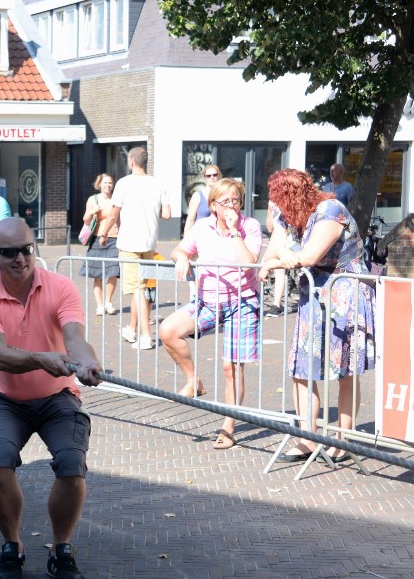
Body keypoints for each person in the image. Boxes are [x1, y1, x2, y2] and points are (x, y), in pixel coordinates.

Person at [0, 217, 103, 579]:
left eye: (26, 249)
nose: (20, 258)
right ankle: (12, 547)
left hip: (57, 396)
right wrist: (43, 358)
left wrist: (87, 360)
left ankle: (61, 550)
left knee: (72, 465)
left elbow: (74, 336)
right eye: (9, 252)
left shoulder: (60, 286)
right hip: (8, 400)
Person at [259, 169, 375, 463]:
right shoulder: (289, 217)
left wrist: (285, 258)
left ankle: (343, 440)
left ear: (293, 196)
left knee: (344, 371)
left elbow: (310, 255)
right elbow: (271, 253)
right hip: (314, 297)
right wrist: (278, 258)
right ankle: (307, 438)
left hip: (345, 296)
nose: (277, 209)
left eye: (280, 201)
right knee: (301, 368)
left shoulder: (330, 210)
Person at [158, 179, 262, 449]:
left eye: (236, 200)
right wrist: (181, 256)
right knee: (168, 331)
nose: (231, 206)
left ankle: (228, 426)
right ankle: (194, 380)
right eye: (225, 202)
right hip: (208, 300)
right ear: (213, 206)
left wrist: (235, 231)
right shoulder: (202, 226)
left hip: (242, 302)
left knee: (230, 368)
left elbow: (249, 264)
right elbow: (180, 248)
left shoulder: (249, 226)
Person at [110, 147, 172, 350]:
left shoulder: (123, 183)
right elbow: (167, 214)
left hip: (129, 242)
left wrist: (103, 234)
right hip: (149, 243)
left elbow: (113, 213)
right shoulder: (157, 183)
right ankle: (131, 329)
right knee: (141, 287)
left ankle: (146, 336)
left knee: (136, 289)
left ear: (131, 162)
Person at [80, 173, 120, 315]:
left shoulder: (117, 199)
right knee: (97, 274)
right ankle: (99, 305)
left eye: (110, 183)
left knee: (113, 272)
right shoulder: (93, 199)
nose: (108, 185)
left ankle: (108, 302)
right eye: (105, 183)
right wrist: (92, 212)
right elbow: (85, 220)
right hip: (96, 239)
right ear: (100, 184)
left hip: (114, 239)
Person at [182, 164, 222, 237]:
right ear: (205, 178)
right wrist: (185, 242)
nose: (212, 177)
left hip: (219, 237)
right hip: (201, 237)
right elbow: (190, 221)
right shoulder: (197, 196)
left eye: (214, 175)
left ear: (218, 176)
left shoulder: (223, 195)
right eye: (208, 176)